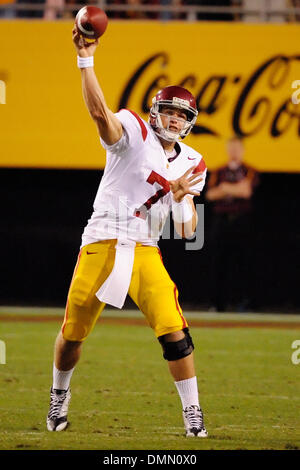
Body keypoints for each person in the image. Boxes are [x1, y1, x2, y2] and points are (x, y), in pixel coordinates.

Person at [46, 26, 208, 438]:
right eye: (169, 110)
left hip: (146, 249)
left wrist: (177, 198)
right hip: (102, 239)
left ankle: (193, 416)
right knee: (72, 334)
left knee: (176, 334)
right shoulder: (133, 129)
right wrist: (86, 61)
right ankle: (58, 396)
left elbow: (189, 230)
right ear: (155, 111)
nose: (175, 119)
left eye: (182, 115)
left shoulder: (193, 162)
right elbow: (100, 115)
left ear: (189, 123)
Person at [205, 136, 259, 312]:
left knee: (244, 264)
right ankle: (217, 304)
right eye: (232, 148)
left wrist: (225, 188)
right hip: (221, 222)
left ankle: (246, 303)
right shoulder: (218, 171)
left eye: (237, 148)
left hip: (242, 222)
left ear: (242, 150)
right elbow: (211, 195)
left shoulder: (249, 170)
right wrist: (233, 188)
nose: (234, 151)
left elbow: (246, 192)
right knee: (218, 263)